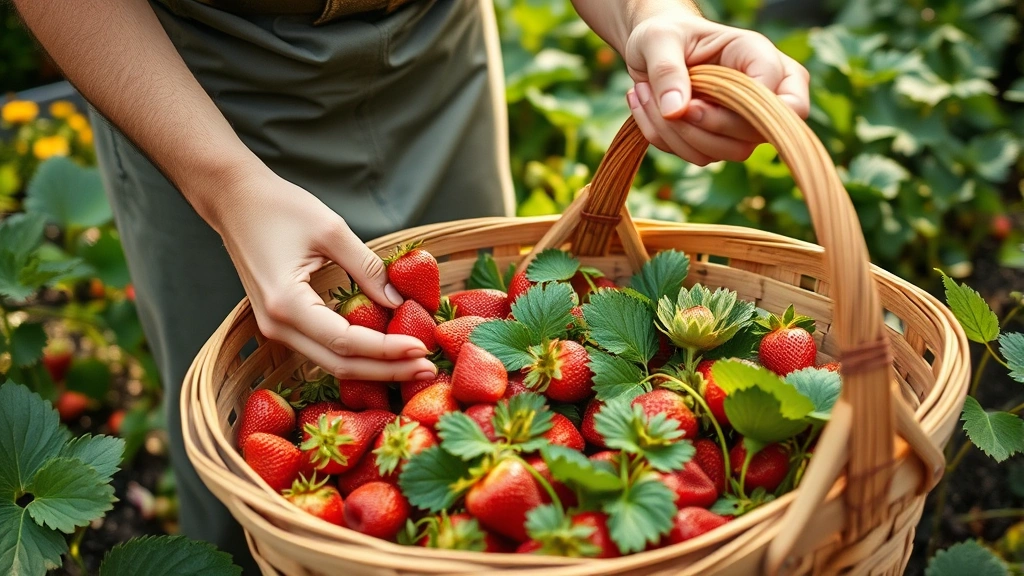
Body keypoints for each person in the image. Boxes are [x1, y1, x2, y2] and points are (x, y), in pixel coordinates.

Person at [13, 0, 809, 572]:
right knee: (241, 475)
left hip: (434, 38)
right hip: (189, 74)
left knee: (492, 312)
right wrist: (221, 185)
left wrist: (647, 14)